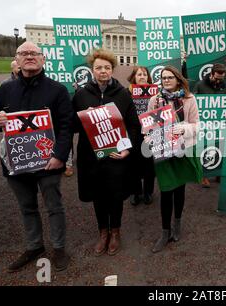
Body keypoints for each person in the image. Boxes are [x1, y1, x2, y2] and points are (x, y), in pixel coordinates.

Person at [0, 42, 73, 272]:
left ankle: (58, 248)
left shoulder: (57, 90)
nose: (29, 57)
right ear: (16, 60)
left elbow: (67, 126)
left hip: (48, 162)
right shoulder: (6, 89)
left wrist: (60, 156)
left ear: (43, 59)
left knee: (54, 206)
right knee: (27, 207)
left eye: (34, 53)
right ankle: (34, 245)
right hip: (16, 162)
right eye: (23, 53)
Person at [72, 49, 141, 256]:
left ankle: (116, 231)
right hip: (90, 156)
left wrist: (128, 149)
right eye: (99, 68)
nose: (103, 71)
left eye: (107, 68)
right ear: (92, 70)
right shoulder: (81, 94)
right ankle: (103, 232)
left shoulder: (122, 94)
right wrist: (86, 117)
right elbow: (73, 125)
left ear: (112, 70)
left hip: (115, 156)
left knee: (115, 195)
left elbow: (134, 125)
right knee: (98, 196)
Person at [148, 66, 203, 253]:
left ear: (178, 79)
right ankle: (165, 232)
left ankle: (177, 224)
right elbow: (148, 126)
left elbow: (197, 125)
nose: (166, 80)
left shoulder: (189, 99)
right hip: (163, 151)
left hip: (183, 149)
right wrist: (148, 138)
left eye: (170, 77)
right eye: (163, 77)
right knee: (165, 190)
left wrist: (183, 129)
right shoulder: (155, 100)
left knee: (179, 188)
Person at [193, 63, 226, 187]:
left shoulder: (224, 85)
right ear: (211, 74)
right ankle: (204, 175)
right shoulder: (200, 85)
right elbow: (194, 102)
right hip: (204, 122)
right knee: (204, 147)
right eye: (217, 78)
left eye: (222, 78)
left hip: (219, 122)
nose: (219, 80)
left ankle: (218, 172)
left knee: (220, 144)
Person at [126, 66, 156, 206]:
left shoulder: (156, 93)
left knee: (149, 163)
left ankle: (148, 192)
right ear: (134, 77)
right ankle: (135, 192)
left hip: (150, 132)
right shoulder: (127, 92)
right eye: (139, 74)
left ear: (148, 77)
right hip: (133, 132)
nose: (142, 76)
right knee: (133, 163)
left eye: (144, 74)